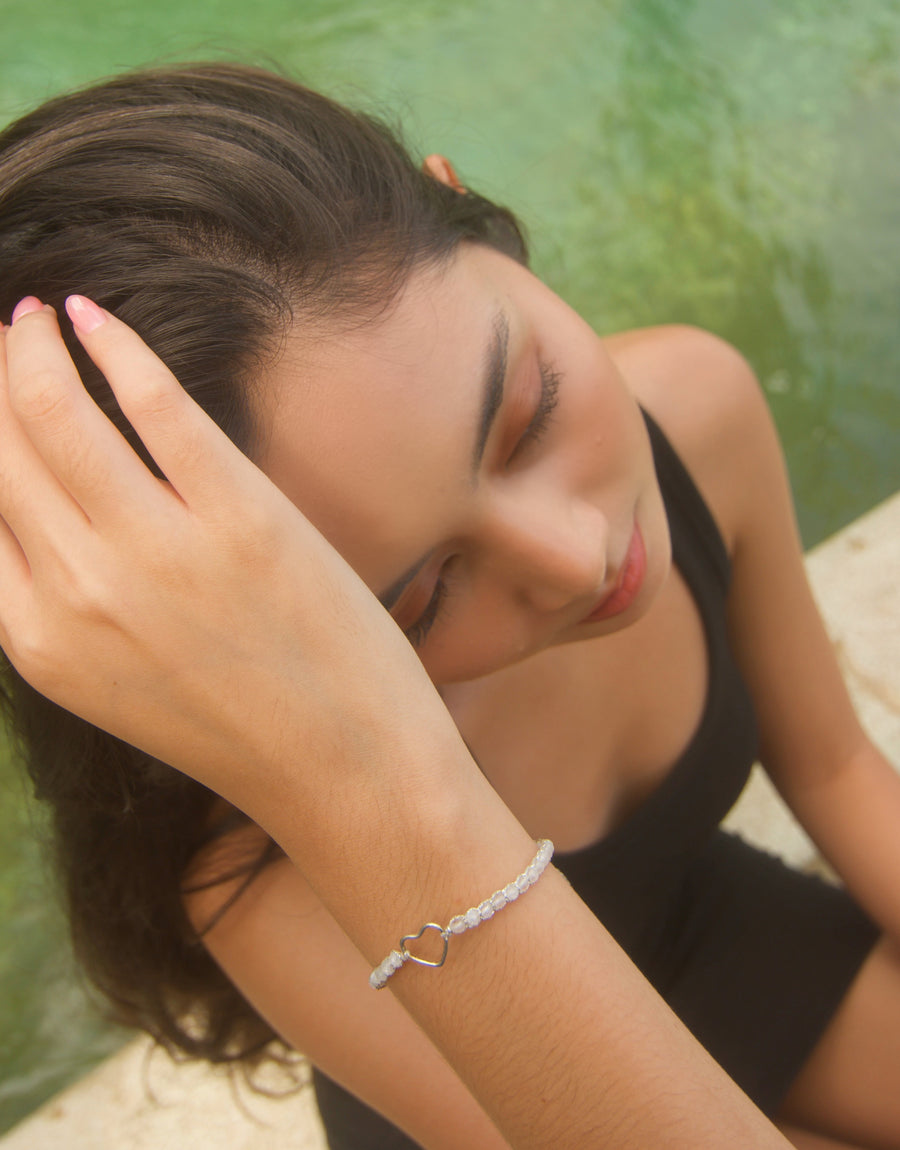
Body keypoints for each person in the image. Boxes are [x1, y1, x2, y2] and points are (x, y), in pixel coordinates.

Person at [0, 64, 898, 1150]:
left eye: (532, 414)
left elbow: (837, 765)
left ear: (465, 201)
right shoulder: (259, 859)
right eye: (420, 599)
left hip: (711, 927)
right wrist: (369, 800)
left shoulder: (698, 412)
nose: (574, 560)